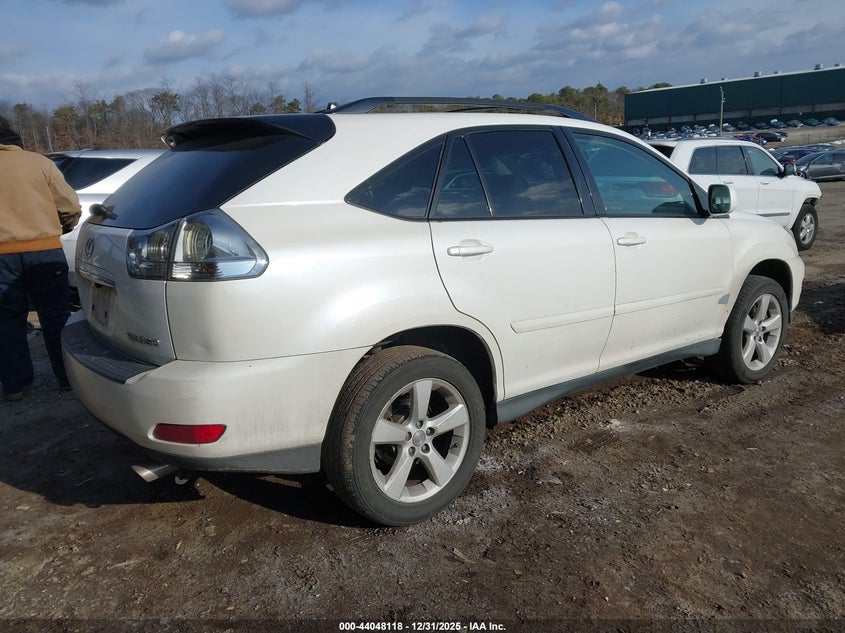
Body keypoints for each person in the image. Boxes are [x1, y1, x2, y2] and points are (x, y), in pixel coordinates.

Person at [0, 116, 81, 401]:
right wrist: (63, 226)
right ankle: (67, 379)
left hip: (1, 257)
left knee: (7, 319)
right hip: (44, 251)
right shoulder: (40, 163)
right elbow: (69, 205)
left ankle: (14, 386)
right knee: (55, 315)